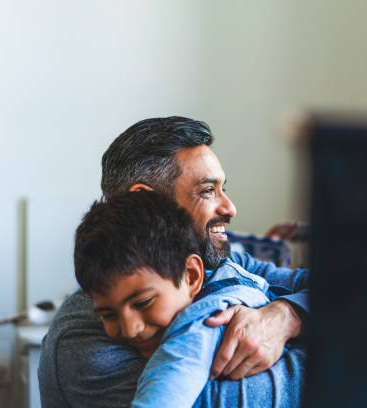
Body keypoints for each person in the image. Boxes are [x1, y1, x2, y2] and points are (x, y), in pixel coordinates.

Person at [39, 116, 309, 407]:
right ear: (148, 200)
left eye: (223, 189)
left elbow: (349, 292)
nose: (229, 208)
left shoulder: (215, 264)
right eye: (207, 190)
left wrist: (287, 315)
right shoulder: (81, 343)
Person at [74, 190, 306, 407]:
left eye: (143, 303)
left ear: (193, 276)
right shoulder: (75, 339)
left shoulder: (200, 325)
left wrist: (289, 313)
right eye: (108, 314)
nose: (130, 328)